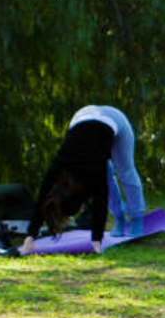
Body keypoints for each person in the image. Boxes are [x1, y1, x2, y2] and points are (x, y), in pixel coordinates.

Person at [20, 105, 146, 254]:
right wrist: (30, 236)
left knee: (125, 171)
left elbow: (101, 198)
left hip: (114, 118)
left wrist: (96, 240)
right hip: (82, 116)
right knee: (107, 175)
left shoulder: (93, 167)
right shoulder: (57, 167)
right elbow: (43, 198)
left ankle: (137, 217)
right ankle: (119, 218)